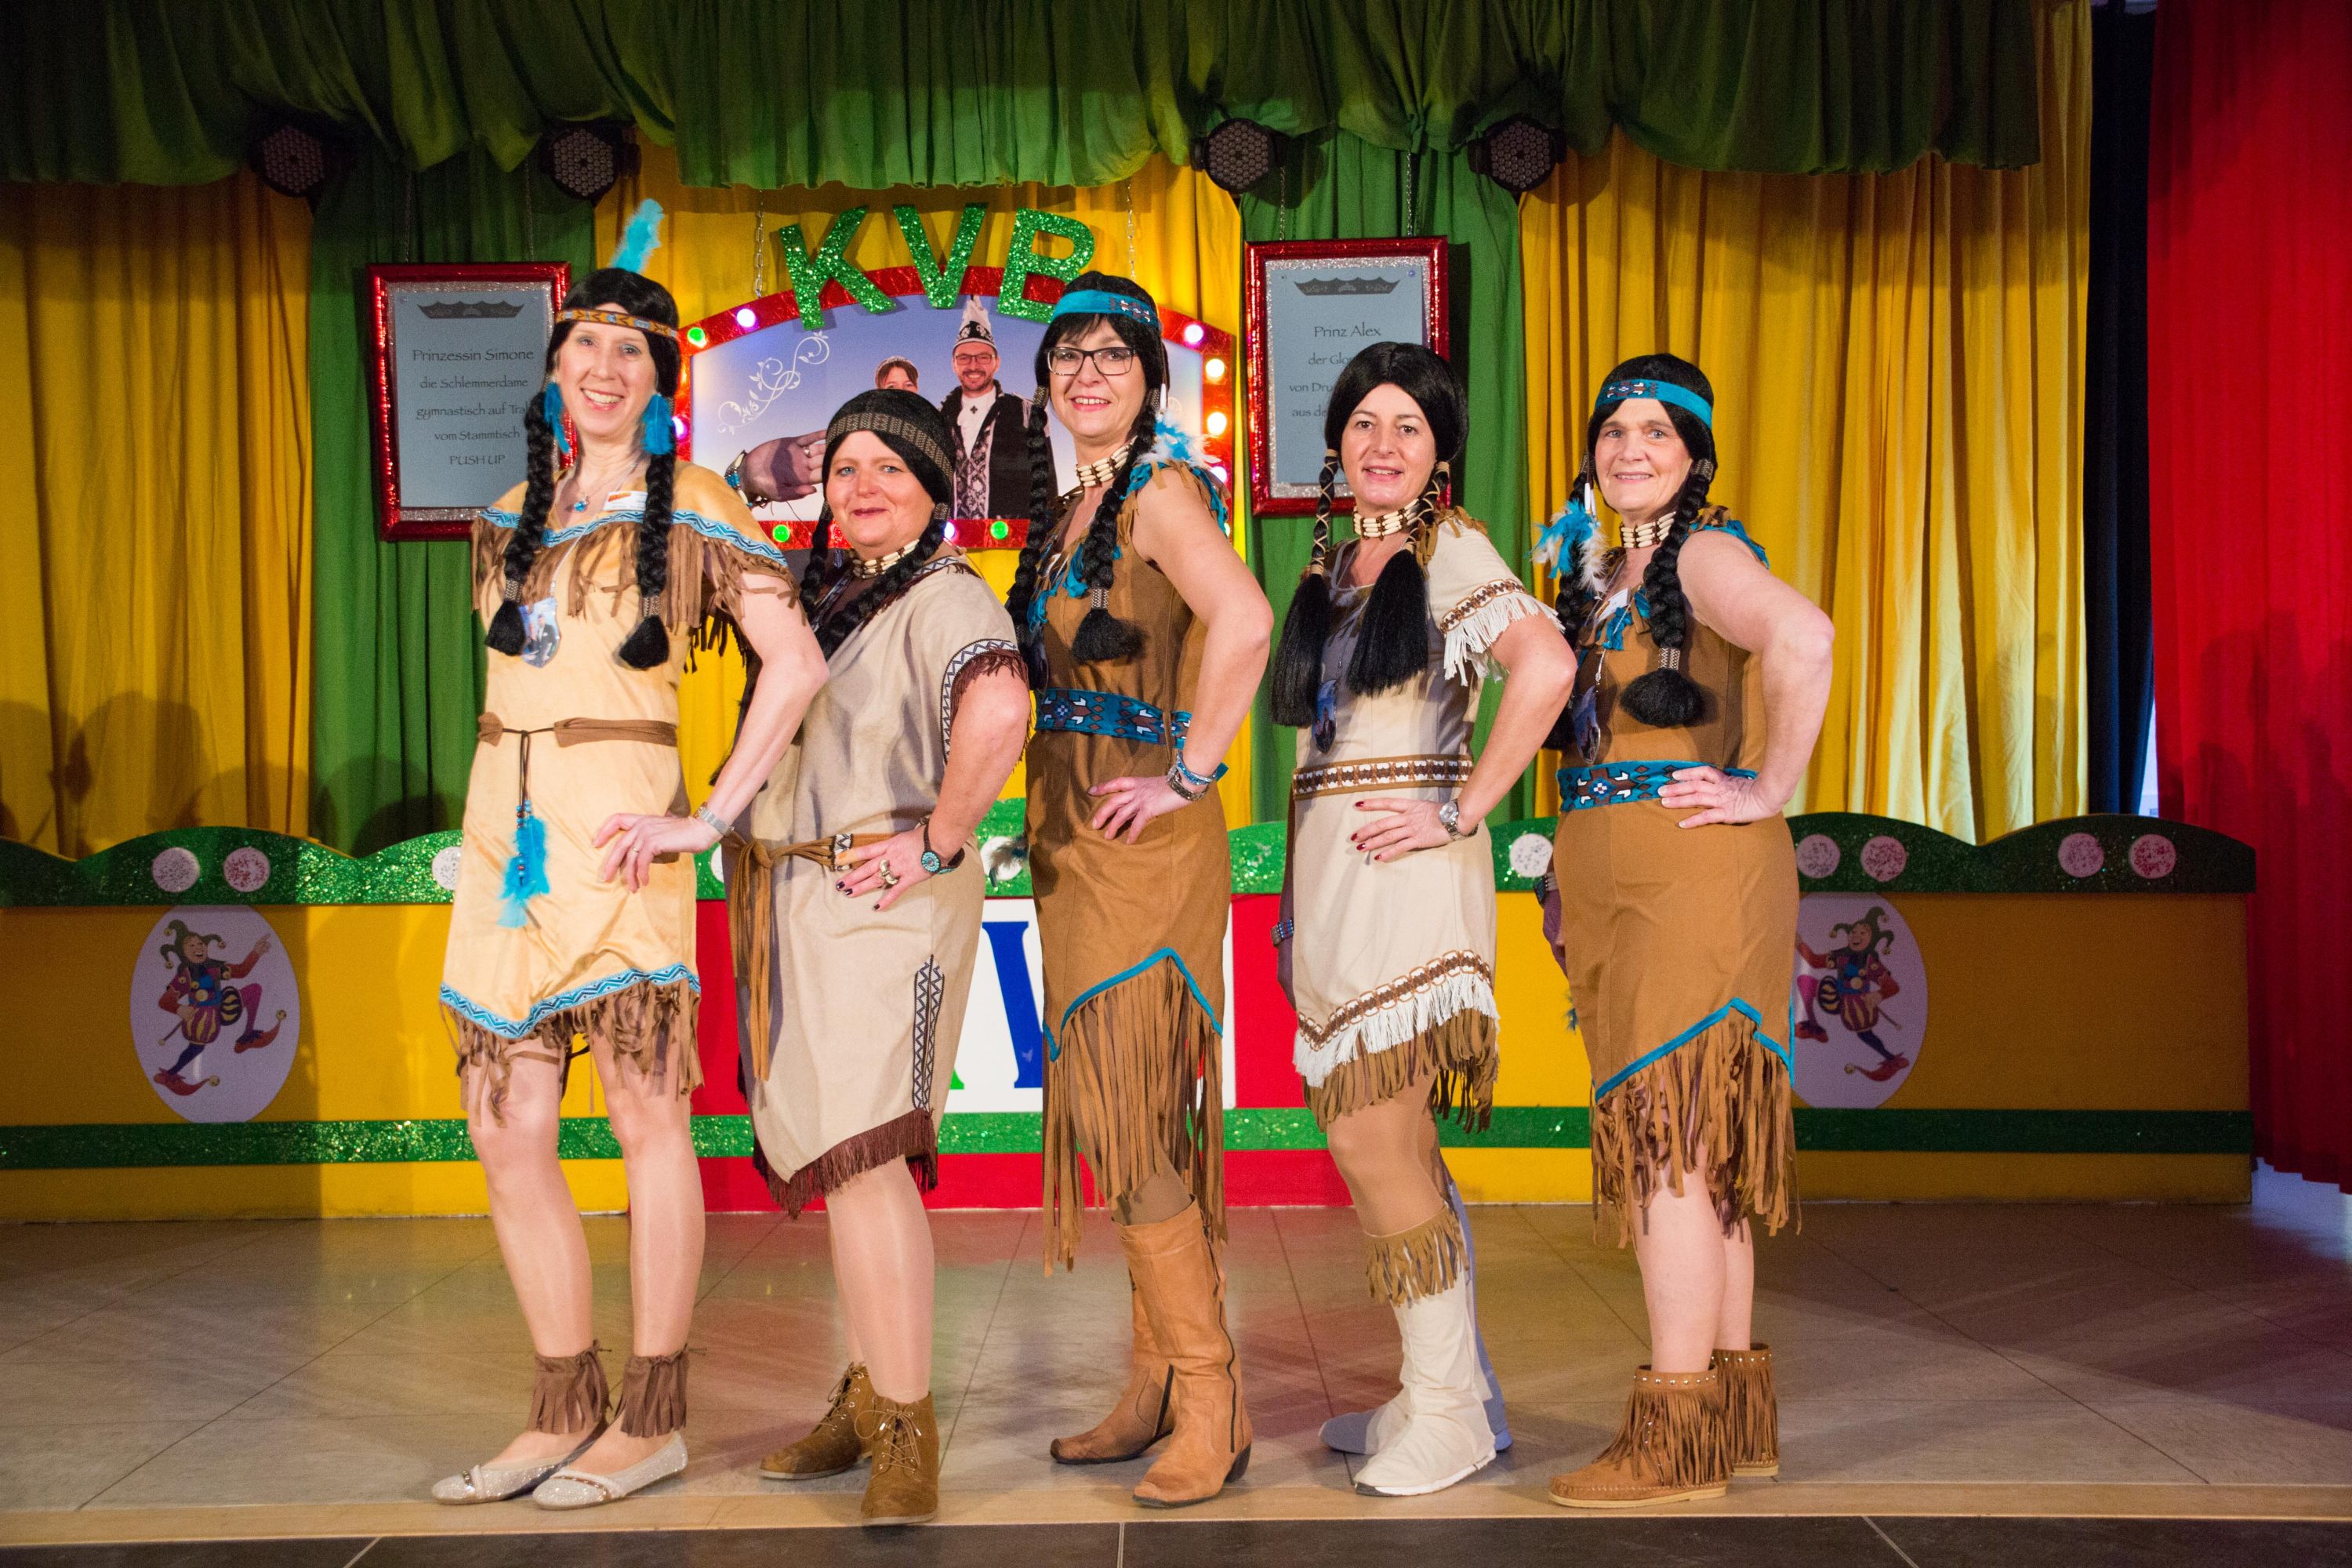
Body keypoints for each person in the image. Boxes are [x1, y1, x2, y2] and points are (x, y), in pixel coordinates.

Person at [432, 208, 829, 1512]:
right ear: (555, 364)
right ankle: (561, 1404)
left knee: (646, 1115)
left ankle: (651, 1418)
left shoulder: (699, 503)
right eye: (586, 345)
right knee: (505, 1127)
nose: (604, 368)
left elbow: (796, 665)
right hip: (508, 845)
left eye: (632, 351)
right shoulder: (509, 514)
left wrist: (709, 818)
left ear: (660, 379)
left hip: (621, 837)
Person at [1268, 343, 1572, 1496]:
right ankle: (1445, 1389)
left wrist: (1460, 807)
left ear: (1442, 452)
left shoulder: (1452, 547)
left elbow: (1545, 665)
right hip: (1336, 882)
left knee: (1372, 1137)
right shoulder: (1340, 560)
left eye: (1409, 426)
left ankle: (1448, 1412)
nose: (1382, 444)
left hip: (1408, 879)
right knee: (1394, 1144)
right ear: (1335, 440)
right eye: (1365, 422)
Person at [1537, 354, 1834, 1508]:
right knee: (1703, 1157)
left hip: (1694, 879)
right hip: (1629, 878)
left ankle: (1671, 1440)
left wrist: (1768, 785)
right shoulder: (1607, 566)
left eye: (1657, 431)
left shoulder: (1704, 552)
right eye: (1614, 430)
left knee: (1670, 1147)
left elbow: (1803, 636)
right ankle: (1732, 1427)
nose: (1630, 449)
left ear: (1697, 454)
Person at [734, 390, 1029, 1526]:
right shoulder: (843, 592)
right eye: (845, 467)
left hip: (883, 892)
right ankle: (867, 1396)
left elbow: (999, 710)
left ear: (935, 488)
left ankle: (908, 1427)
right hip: (813, 894)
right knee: (843, 1159)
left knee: (868, 1158)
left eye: (890, 469)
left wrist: (939, 840)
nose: (862, 486)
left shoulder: (948, 592)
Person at [1006, 272, 1272, 1508]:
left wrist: (1190, 773)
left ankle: (1212, 1394)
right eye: (1067, 356)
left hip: (1139, 837)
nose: (1088, 374)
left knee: (1128, 1106)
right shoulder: (1075, 507)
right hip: (1074, 834)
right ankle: (1156, 1376)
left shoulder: (1161, 489)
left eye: (1114, 354)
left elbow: (1245, 620)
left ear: (1152, 378)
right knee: (1130, 1114)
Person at [941, 296, 1029, 518]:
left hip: (1011, 538)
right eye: (964, 358)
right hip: (950, 538)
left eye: (983, 357)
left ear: (996, 362)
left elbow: (1045, 488)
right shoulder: (938, 419)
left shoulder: (1024, 414)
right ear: (953, 364)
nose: (973, 366)